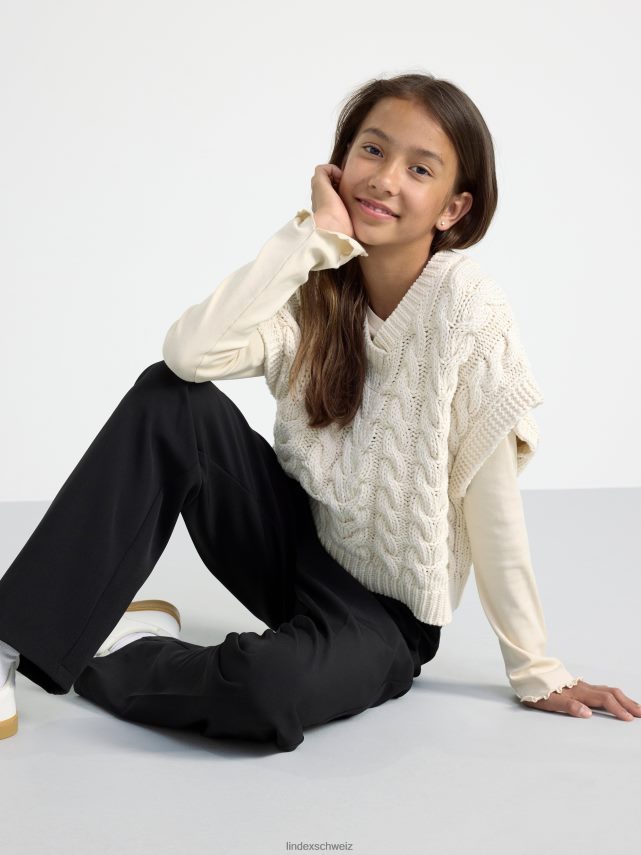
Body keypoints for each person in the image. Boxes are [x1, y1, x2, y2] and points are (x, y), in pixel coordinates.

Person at [1, 72, 639, 749]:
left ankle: (116, 643)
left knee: (266, 689)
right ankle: (11, 643)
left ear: (452, 208)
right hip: (288, 546)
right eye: (372, 150)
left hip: (385, 619)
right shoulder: (314, 282)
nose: (384, 179)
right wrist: (314, 237)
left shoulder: (467, 308)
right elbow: (188, 355)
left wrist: (535, 670)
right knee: (169, 399)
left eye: (419, 169)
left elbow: (493, 503)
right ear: (339, 163)